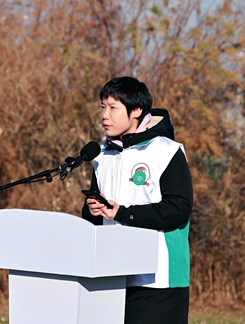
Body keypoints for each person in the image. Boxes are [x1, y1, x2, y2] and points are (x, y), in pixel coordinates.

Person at [82, 76, 193, 324]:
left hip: (159, 280)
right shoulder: (101, 155)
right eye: (102, 107)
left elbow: (178, 209)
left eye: (113, 108)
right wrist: (93, 210)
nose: (104, 115)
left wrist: (123, 213)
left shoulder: (167, 151)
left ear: (137, 111)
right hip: (112, 276)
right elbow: (94, 219)